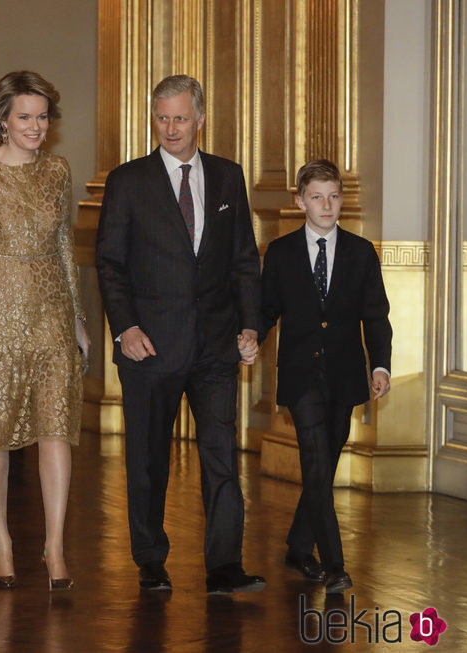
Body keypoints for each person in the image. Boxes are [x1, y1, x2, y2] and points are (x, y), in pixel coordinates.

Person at [95, 74, 265, 595]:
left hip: (215, 346)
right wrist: (124, 328)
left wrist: (251, 324)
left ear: (201, 119)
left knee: (221, 458)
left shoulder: (229, 177)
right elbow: (110, 264)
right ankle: (150, 559)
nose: (170, 128)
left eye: (180, 118)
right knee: (147, 461)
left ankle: (223, 567)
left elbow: (243, 261)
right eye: (162, 118)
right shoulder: (128, 180)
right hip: (149, 346)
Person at [0, 70, 90, 591]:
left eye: (42, 116)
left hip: (50, 309)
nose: (36, 125)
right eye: (25, 116)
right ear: (3, 120)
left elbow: (65, 248)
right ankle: (1, 541)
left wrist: (76, 317)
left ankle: (54, 545)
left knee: (56, 427)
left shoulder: (57, 170)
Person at [259, 159, 392, 595]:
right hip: (301, 377)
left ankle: (299, 548)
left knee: (323, 466)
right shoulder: (280, 253)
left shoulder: (360, 251)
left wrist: (379, 364)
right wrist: (249, 337)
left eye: (334, 196)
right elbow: (267, 309)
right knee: (316, 464)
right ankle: (335, 565)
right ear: (300, 201)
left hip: (344, 374)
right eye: (317, 197)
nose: (327, 204)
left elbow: (375, 315)